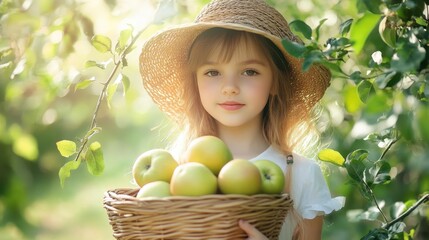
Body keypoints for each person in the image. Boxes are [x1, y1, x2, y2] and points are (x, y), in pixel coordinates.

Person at [139, 0, 345, 239]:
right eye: (213, 72)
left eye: (250, 72)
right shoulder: (177, 170)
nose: (230, 87)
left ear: (275, 83)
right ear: (195, 82)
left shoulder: (301, 175)